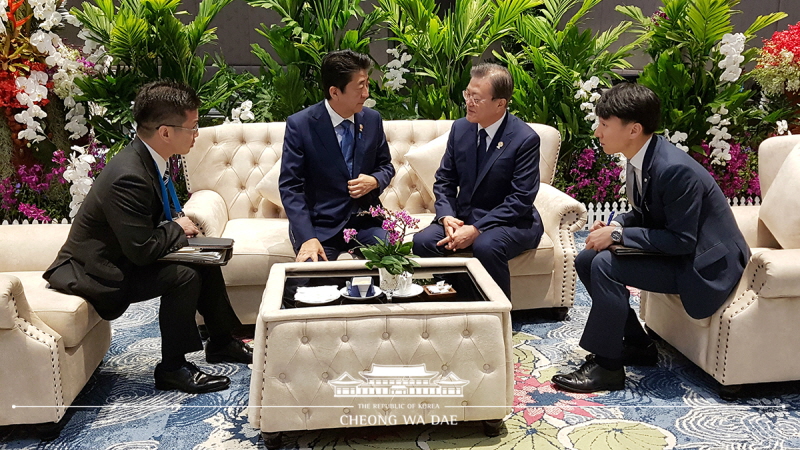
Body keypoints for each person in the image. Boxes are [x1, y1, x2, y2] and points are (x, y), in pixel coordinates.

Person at [44, 81, 252, 395]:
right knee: (183, 275)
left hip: (124, 255)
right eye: (193, 127)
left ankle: (222, 342)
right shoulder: (129, 175)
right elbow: (142, 251)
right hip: (97, 272)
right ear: (166, 132)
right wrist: (177, 228)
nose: (197, 135)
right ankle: (172, 368)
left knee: (205, 258)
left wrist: (177, 229)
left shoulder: (149, 158)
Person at [551, 83, 750, 393]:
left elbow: (681, 240)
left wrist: (617, 234)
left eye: (605, 124)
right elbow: (647, 214)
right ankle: (636, 344)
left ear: (634, 129)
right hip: (680, 252)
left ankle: (607, 367)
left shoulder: (673, 169)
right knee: (588, 257)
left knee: (604, 263)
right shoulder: (642, 157)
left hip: (704, 267)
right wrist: (615, 224)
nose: (597, 132)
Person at [412, 63, 543, 299]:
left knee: (486, 245)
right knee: (423, 242)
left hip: (511, 221)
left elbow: (520, 199)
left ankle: (497, 315)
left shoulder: (525, 139)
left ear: (500, 103)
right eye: (467, 94)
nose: (468, 102)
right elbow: (445, 180)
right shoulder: (461, 128)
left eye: (477, 98)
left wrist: (477, 229)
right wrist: (446, 217)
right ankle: (450, 303)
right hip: (464, 216)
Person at [280, 49, 395, 262]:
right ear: (334, 92)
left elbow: (386, 166)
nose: (366, 93)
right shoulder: (301, 125)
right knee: (315, 283)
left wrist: (375, 180)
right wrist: (307, 237)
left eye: (367, 84)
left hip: (365, 223)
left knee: (392, 264)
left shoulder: (372, 120)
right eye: (360, 87)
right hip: (320, 226)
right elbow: (290, 186)